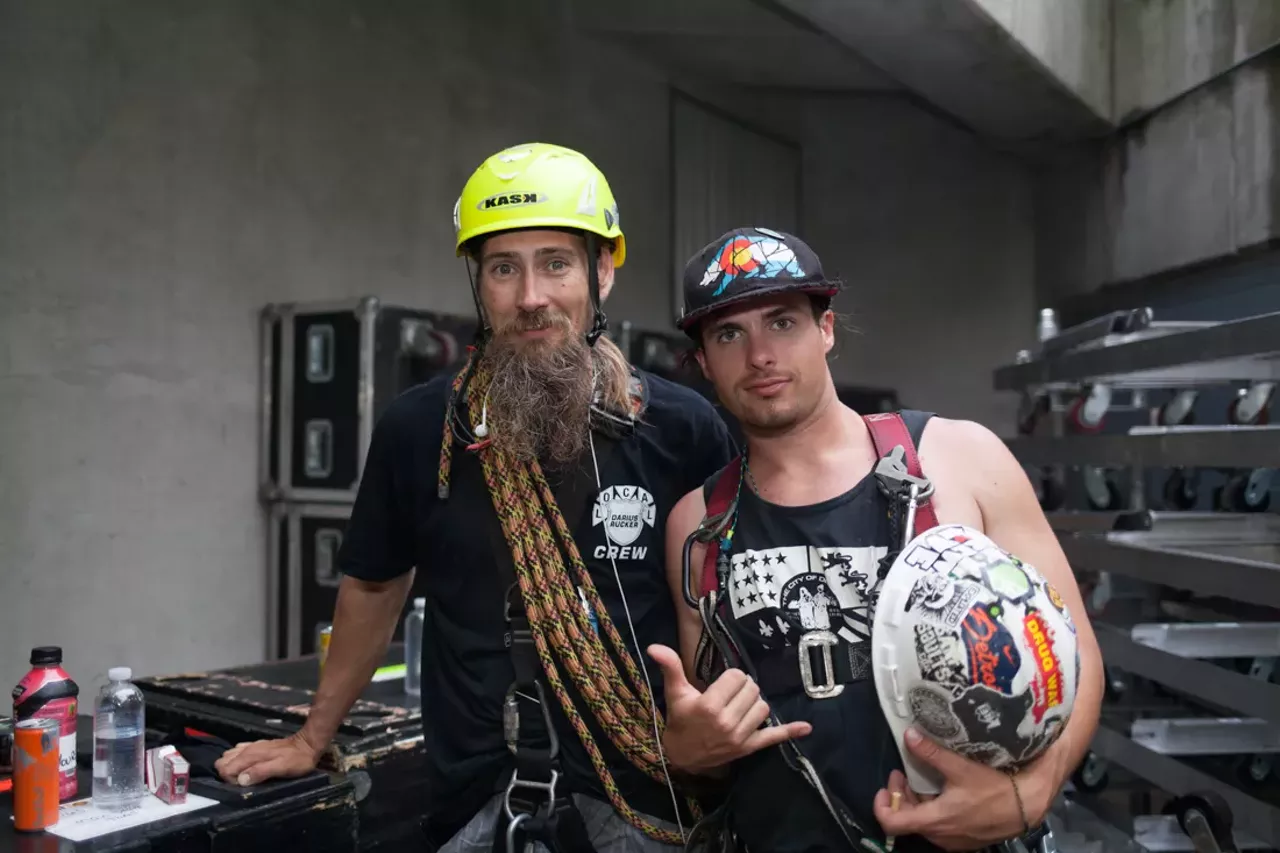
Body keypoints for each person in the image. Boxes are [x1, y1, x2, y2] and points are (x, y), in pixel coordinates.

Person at [214, 143, 737, 852]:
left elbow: (724, 604)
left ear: (602, 272)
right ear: (478, 284)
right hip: (477, 799)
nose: (530, 296)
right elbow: (373, 585)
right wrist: (313, 736)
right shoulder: (420, 428)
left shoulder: (681, 427)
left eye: (556, 263)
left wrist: (714, 740)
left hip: (646, 797)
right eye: (503, 268)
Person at [651, 227, 1104, 852]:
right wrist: (686, 752)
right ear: (704, 362)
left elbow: (1073, 654)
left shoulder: (961, 458)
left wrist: (1036, 789)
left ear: (826, 329)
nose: (760, 355)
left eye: (782, 323)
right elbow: (714, 736)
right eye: (729, 334)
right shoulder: (699, 525)